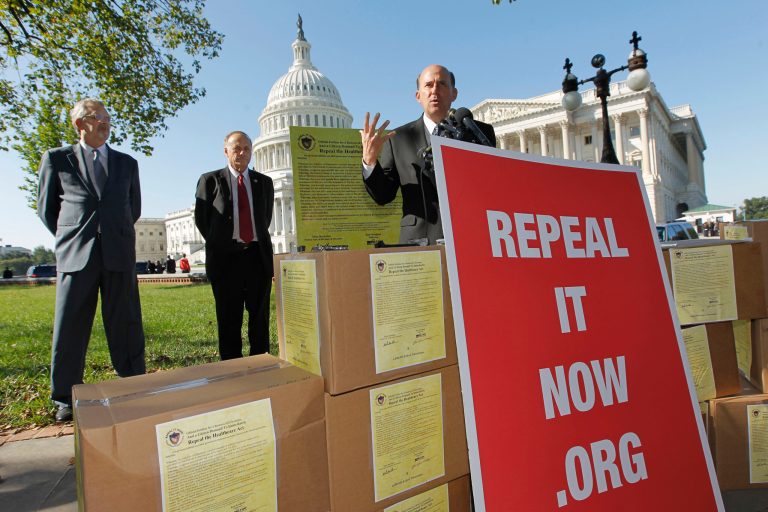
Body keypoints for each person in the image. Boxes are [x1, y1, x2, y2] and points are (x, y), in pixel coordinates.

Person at [37, 98, 145, 422]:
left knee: (125, 323)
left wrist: (113, 230)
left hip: (118, 252)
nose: (104, 122)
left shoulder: (127, 163)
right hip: (76, 254)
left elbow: (133, 208)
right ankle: (65, 398)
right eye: (96, 117)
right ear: (79, 124)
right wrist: (76, 233)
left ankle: (133, 384)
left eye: (106, 117)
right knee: (70, 326)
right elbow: (48, 211)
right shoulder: (57, 159)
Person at [360, 64, 497, 245]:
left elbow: (491, 186)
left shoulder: (480, 133)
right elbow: (383, 195)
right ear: (418, 96)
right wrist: (369, 161)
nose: (434, 90)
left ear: (454, 93)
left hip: (472, 238)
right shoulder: (398, 139)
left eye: (441, 84)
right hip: (420, 245)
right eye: (428, 85)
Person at [195, 131, 274, 359]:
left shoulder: (264, 183)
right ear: (226, 151)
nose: (242, 153)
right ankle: (232, 368)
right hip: (226, 260)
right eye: (236, 148)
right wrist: (222, 241)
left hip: (256, 259)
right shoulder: (209, 180)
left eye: (246, 149)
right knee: (229, 319)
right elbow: (203, 220)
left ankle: (261, 364)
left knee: (259, 319)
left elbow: (264, 219)